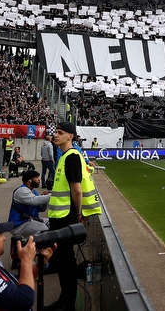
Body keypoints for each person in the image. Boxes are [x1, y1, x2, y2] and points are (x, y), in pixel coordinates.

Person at [47, 121, 102, 311]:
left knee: (66, 261)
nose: (56, 135)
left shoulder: (71, 157)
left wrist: (78, 214)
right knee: (63, 260)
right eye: (56, 132)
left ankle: (66, 302)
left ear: (70, 136)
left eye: (60, 133)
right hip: (60, 216)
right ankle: (65, 300)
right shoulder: (64, 156)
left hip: (66, 217)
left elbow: (76, 190)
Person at [9, 170, 50, 246]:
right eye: (36, 178)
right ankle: (40, 252)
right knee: (44, 230)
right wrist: (50, 196)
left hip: (30, 221)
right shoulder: (21, 191)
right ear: (29, 180)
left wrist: (45, 199)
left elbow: (41, 209)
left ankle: (39, 247)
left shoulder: (33, 191)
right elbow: (34, 201)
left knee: (52, 222)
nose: (39, 180)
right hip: (19, 225)